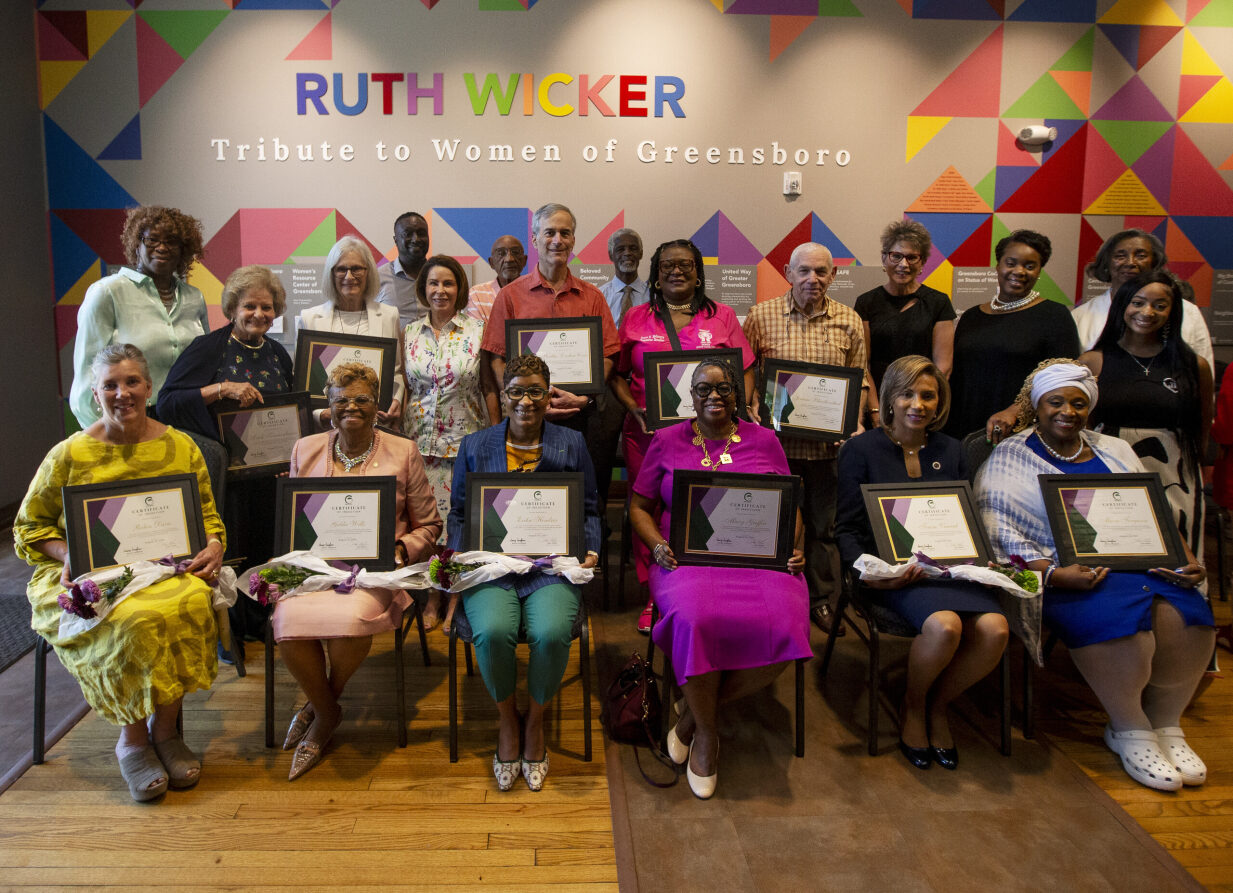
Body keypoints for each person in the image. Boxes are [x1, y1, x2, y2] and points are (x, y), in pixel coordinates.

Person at [975, 360, 1213, 791]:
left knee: (1189, 613)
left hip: (1140, 561)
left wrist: (1185, 555)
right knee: (1119, 623)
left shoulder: (1114, 449)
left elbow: (1154, 508)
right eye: (1056, 402)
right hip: (1068, 576)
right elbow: (998, 531)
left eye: (1078, 403)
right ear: (1038, 405)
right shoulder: (1011, 456)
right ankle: (1129, 727)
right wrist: (1053, 574)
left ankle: (1166, 724)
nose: (1068, 411)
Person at [15, 344, 226, 801]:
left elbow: (207, 514)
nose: (122, 393)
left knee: (188, 602)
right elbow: (29, 527)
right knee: (131, 620)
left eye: (132, 382)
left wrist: (213, 544)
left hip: (163, 567)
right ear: (95, 394)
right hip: (86, 574)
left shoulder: (180, 445)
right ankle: (132, 741)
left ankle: (165, 732)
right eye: (110, 384)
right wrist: (65, 549)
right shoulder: (69, 454)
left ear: (148, 388)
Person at [628, 357, 810, 798]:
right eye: (703, 389)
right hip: (685, 560)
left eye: (724, 388)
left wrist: (792, 544)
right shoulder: (667, 440)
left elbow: (790, 506)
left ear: (738, 393)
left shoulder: (765, 441)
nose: (714, 396)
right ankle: (708, 735)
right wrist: (655, 546)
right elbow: (638, 506)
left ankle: (691, 717)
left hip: (760, 560)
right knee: (694, 619)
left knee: (785, 626)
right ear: (688, 397)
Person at [835, 356, 1009, 770]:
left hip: (951, 568)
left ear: (939, 401)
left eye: (928, 395)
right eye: (907, 394)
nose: (918, 404)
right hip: (893, 576)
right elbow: (845, 530)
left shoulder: (952, 450)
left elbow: (964, 519)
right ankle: (914, 707)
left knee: (995, 629)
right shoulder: (860, 450)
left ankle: (938, 703)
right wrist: (872, 574)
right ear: (890, 400)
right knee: (944, 626)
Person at [274, 362, 441, 781]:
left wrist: (401, 550)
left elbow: (431, 524)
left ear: (378, 404)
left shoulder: (403, 452)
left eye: (362, 399)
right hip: (317, 570)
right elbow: (297, 521)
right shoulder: (304, 450)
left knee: (348, 621)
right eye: (341, 399)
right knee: (286, 620)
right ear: (327, 406)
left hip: (376, 574)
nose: (351, 407)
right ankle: (328, 710)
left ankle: (320, 713)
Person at [447, 354, 602, 793]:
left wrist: (588, 547)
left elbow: (589, 507)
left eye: (536, 391)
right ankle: (506, 721)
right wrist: (465, 555)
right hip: (493, 566)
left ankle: (535, 720)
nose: (526, 401)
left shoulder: (571, 443)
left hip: (551, 565)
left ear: (549, 393)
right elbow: (459, 514)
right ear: (505, 394)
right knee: (494, 631)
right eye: (516, 391)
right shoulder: (475, 446)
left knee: (552, 632)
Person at [612, 238, 756, 632]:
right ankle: (654, 595)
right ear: (656, 275)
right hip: (649, 434)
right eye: (668, 265)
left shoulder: (722, 316)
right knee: (649, 511)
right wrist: (633, 408)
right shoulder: (636, 318)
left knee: (707, 506)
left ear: (698, 272)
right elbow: (618, 375)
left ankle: (703, 584)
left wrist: (739, 409)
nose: (677, 271)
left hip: (711, 436)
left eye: (686, 265)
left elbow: (744, 368)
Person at [157, 265, 295, 651]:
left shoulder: (278, 353)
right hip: (227, 480)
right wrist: (221, 389)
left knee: (270, 548)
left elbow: (289, 409)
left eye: (267, 307)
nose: (259, 314)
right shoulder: (209, 348)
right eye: (250, 306)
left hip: (270, 477)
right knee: (234, 550)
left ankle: (266, 620)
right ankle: (230, 630)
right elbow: (167, 403)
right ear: (233, 308)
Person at [743, 241, 868, 638]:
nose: (812, 279)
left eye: (820, 271)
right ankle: (768, 594)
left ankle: (822, 599)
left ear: (833, 275)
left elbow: (860, 380)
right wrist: (751, 412)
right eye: (804, 270)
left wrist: (854, 424)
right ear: (788, 271)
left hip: (825, 450)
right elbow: (746, 372)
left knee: (822, 528)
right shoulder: (761, 317)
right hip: (774, 448)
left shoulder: (850, 320)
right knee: (768, 522)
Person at [1080, 272, 1212, 558]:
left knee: (1180, 551)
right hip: (1110, 467)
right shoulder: (1093, 362)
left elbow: (1202, 426)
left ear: (1172, 311)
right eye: (1138, 303)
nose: (1147, 312)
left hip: (1175, 471)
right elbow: (1082, 425)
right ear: (1123, 306)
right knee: (1117, 546)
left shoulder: (1194, 365)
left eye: (1160, 305)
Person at [402, 254, 499, 630]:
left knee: (461, 526)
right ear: (423, 289)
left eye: (448, 284)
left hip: (465, 444)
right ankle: (431, 597)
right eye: (433, 284)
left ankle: (457, 597)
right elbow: (409, 389)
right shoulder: (409, 332)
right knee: (428, 526)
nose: (440, 291)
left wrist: (495, 437)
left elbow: (489, 387)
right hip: (419, 446)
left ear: (459, 289)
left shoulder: (479, 330)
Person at [480, 203, 620, 430]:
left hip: (580, 417)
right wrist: (520, 398)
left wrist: (584, 399)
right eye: (550, 233)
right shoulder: (510, 296)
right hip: (525, 418)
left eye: (565, 233)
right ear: (535, 240)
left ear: (573, 240)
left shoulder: (593, 297)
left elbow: (608, 356)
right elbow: (496, 359)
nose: (558, 240)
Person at [69, 205, 208, 428]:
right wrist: (104, 432)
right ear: (137, 244)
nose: (162, 247)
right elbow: (88, 374)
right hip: (129, 420)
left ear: (184, 250)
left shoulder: (194, 298)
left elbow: (205, 363)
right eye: (152, 240)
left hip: (186, 419)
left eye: (172, 241)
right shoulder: (107, 293)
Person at [946, 230, 1080, 443]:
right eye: (1011, 263)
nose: (1019, 271)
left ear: (1038, 272)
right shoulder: (972, 316)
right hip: (963, 429)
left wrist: (1015, 411)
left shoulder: (1054, 315)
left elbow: (1063, 382)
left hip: (1020, 431)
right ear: (998, 266)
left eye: (1029, 266)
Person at [854, 220, 955, 425]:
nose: (903, 264)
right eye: (896, 256)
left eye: (912, 257)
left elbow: (943, 366)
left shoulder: (939, 302)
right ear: (884, 258)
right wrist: (876, 411)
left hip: (920, 408)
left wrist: (919, 404)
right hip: (878, 402)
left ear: (922, 262)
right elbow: (863, 364)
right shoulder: (866, 302)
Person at [298, 235, 405, 427]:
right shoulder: (310, 318)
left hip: (375, 424)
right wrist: (319, 413)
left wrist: (394, 401)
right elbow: (302, 383)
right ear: (331, 274)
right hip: (327, 429)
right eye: (341, 269)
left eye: (356, 268)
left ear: (368, 272)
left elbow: (395, 371)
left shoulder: (389, 315)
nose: (349, 276)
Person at [1073, 229, 1212, 370]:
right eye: (1120, 256)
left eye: (1140, 255)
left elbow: (1203, 374)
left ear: (1155, 263)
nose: (1131, 262)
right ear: (1107, 264)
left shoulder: (1188, 312)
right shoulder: (1081, 316)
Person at [376, 211, 431, 330]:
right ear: (395, 240)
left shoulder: (439, 276)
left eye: (421, 233)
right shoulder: (377, 278)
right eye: (408, 234)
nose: (416, 239)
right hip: (395, 348)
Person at [468, 235, 526, 323]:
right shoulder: (476, 294)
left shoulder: (537, 293)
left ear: (524, 260)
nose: (509, 259)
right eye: (501, 254)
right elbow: (478, 334)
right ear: (491, 263)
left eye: (515, 252)